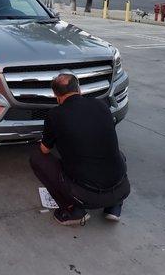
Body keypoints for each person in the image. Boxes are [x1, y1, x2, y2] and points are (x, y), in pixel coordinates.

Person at [29, 73, 130, 226]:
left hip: (85, 196)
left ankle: (73, 211)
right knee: (117, 154)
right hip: (122, 188)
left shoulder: (55, 115)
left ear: (57, 96)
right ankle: (114, 206)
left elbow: (44, 150)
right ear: (79, 90)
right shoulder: (101, 105)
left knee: (37, 159)